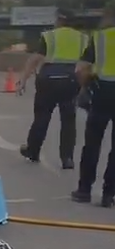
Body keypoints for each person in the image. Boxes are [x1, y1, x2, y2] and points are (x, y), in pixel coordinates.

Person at [20, 9, 89, 167]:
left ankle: (33, 151)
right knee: (69, 120)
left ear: (59, 21)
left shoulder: (49, 36)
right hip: (70, 81)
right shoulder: (84, 39)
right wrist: (84, 86)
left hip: (48, 80)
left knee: (41, 117)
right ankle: (67, 158)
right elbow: (86, 66)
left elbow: (35, 59)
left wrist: (23, 80)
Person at [72, 6, 115, 207]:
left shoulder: (99, 38)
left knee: (92, 143)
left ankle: (84, 190)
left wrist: (84, 88)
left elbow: (81, 69)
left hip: (102, 93)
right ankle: (109, 195)